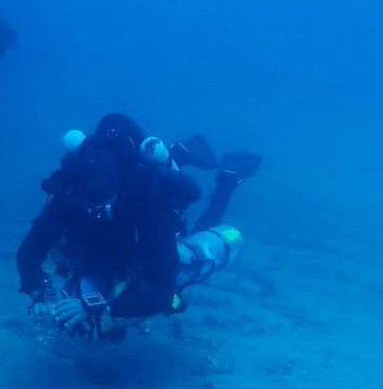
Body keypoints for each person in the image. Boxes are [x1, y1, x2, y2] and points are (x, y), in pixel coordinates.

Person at [16, 113, 261, 341]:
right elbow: (29, 252)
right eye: (90, 191)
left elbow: (161, 293)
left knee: (186, 261)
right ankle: (177, 154)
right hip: (99, 260)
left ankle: (226, 181)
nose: (96, 204)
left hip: (143, 254)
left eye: (104, 194)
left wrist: (101, 306)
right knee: (78, 321)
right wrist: (43, 293)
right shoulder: (71, 195)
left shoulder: (147, 202)